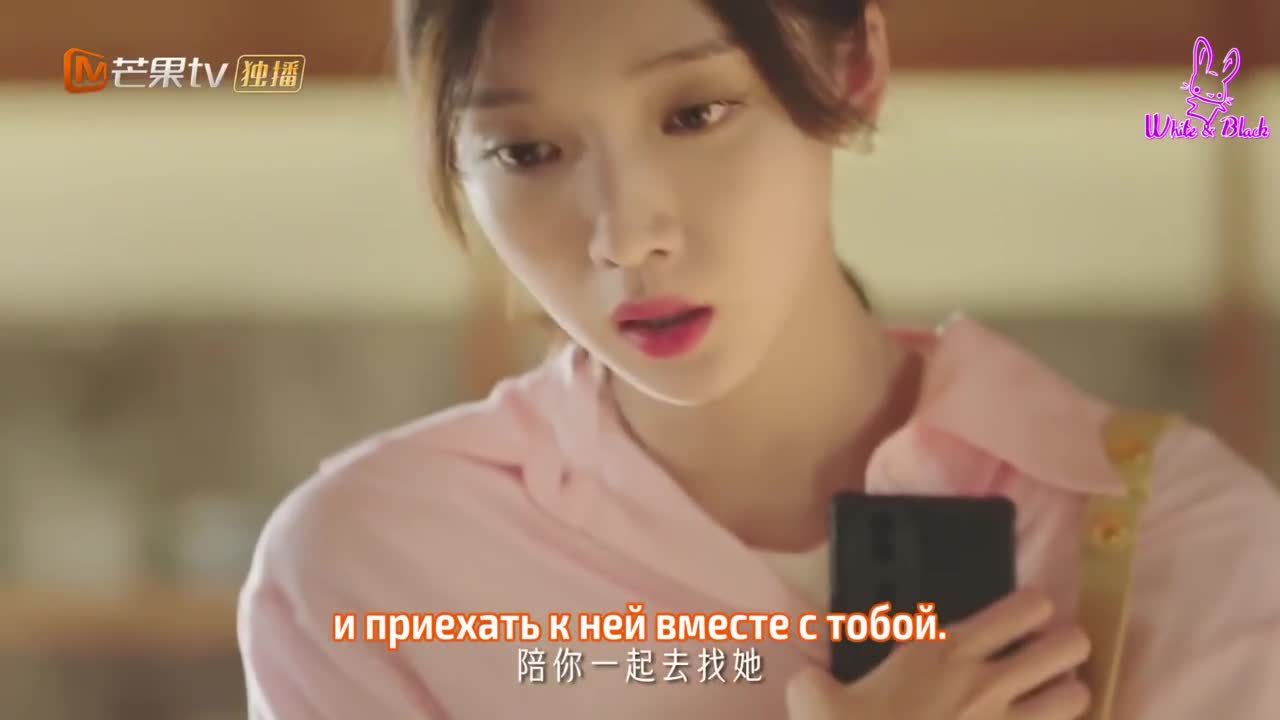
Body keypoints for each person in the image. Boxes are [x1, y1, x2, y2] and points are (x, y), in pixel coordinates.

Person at [236, 1, 1280, 718]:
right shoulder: (369, 570)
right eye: (524, 152)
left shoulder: (1173, 537)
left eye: (695, 113)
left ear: (853, 71)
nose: (625, 236)